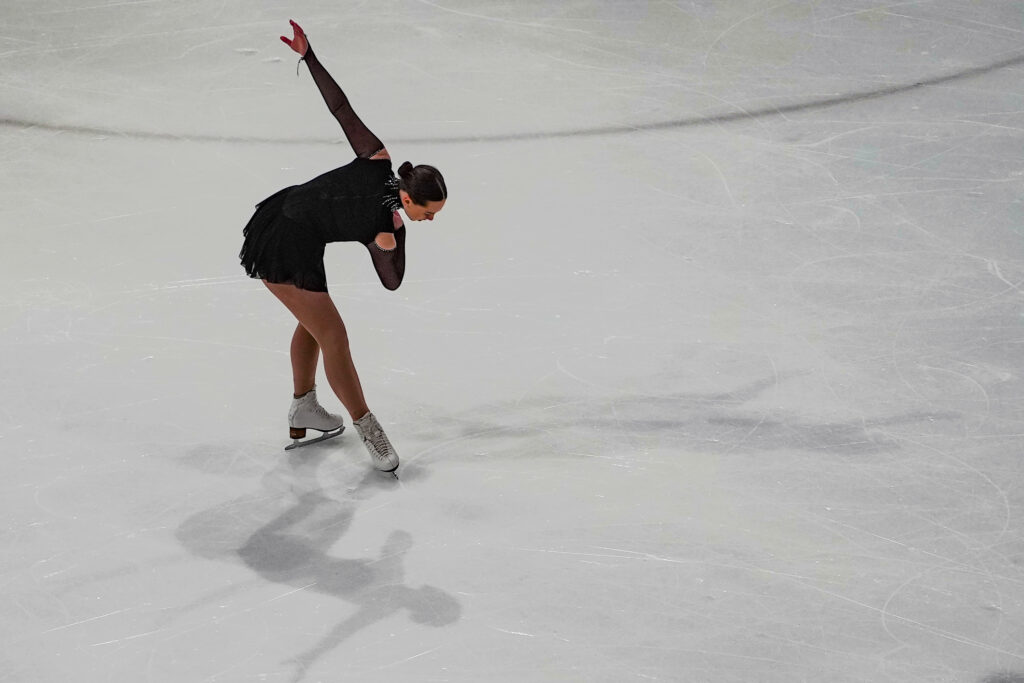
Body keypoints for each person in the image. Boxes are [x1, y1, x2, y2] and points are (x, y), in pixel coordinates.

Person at [239, 20, 448, 473]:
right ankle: (368, 430)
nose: (429, 220)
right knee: (332, 334)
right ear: (409, 195)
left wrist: (387, 244)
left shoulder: (392, 225)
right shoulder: (376, 157)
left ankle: (304, 409)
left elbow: (392, 282)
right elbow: (340, 107)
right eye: (427, 211)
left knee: (315, 323)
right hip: (280, 234)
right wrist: (308, 56)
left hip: (303, 237)